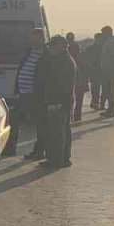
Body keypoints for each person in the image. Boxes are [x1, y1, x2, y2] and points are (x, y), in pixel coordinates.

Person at [35, 35, 77, 167]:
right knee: (61, 130)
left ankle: (56, 160)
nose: (51, 48)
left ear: (61, 47)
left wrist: (56, 102)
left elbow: (61, 85)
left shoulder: (63, 62)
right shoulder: (61, 60)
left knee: (56, 132)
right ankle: (62, 158)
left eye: (53, 46)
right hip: (60, 101)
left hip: (58, 101)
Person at [9, 26, 46, 159]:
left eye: (36, 40)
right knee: (14, 119)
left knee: (39, 123)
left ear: (42, 39)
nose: (34, 42)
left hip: (35, 94)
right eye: (32, 40)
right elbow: (22, 69)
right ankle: (10, 149)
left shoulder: (45, 54)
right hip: (23, 93)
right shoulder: (29, 52)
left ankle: (39, 151)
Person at [97, 25, 114, 117]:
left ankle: (113, 109)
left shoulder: (112, 41)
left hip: (110, 70)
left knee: (111, 91)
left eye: (103, 33)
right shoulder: (109, 41)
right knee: (108, 90)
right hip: (108, 69)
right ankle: (111, 109)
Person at [66, 33, 86, 123]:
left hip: (73, 79)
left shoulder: (67, 54)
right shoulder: (80, 54)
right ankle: (77, 115)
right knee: (79, 98)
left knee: (70, 98)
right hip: (80, 78)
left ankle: (71, 116)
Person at [82, 32, 103, 110]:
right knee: (96, 88)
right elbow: (86, 59)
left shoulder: (91, 48)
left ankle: (96, 103)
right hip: (95, 71)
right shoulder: (95, 48)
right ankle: (96, 103)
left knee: (96, 88)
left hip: (97, 70)